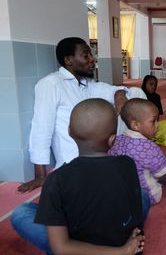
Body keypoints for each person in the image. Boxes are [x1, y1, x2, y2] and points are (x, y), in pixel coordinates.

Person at [15, 99, 145, 254]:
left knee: (21, 212)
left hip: (91, 248)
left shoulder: (56, 179)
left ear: (69, 131)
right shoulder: (127, 163)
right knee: (143, 196)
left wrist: (123, 252)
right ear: (112, 139)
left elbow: (61, 249)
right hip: (122, 238)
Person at [17, 37, 129, 194]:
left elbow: (110, 90)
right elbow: (41, 128)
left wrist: (120, 96)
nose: (92, 59)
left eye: (91, 54)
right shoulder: (51, 84)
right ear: (68, 60)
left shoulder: (85, 83)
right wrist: (40, 175)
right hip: (72, 162)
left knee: (134, 96)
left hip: (97, 155)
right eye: (86, 55)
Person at [109, 98, 166, 206]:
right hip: (146, 195)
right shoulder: (147, 146)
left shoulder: (118, 139)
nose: (157, 125)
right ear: (136, 125)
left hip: (122, 193)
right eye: (153, 121)